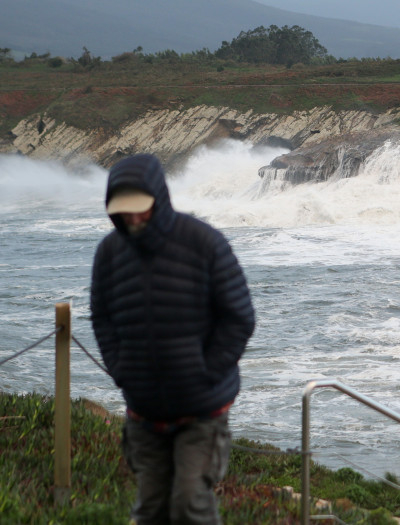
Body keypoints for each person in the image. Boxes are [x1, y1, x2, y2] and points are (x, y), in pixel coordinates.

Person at [90, 153, 256, 524]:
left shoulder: (204, 243)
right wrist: (121, 370)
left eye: (140, 209)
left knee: (189, 504)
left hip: (202, 409)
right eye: (123, 211)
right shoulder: (109, 252)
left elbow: (239, 317)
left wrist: (205, 372)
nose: (133, 219)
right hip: (144, 409)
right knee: (150, 509)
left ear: (159, 198)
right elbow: (102, 318)